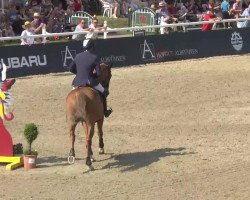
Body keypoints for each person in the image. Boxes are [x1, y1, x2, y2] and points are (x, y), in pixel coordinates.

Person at [69, 39, 112, 118]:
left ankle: (71, 112)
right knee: (104, 92)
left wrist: (78, 74)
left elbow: (71, 69)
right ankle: (105, 111)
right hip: (89, 81)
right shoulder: (94, 57)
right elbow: (99, 73)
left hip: (76, 82)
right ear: (92, 47)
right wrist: (92, 76)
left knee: (72, 96)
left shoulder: (77, 56)